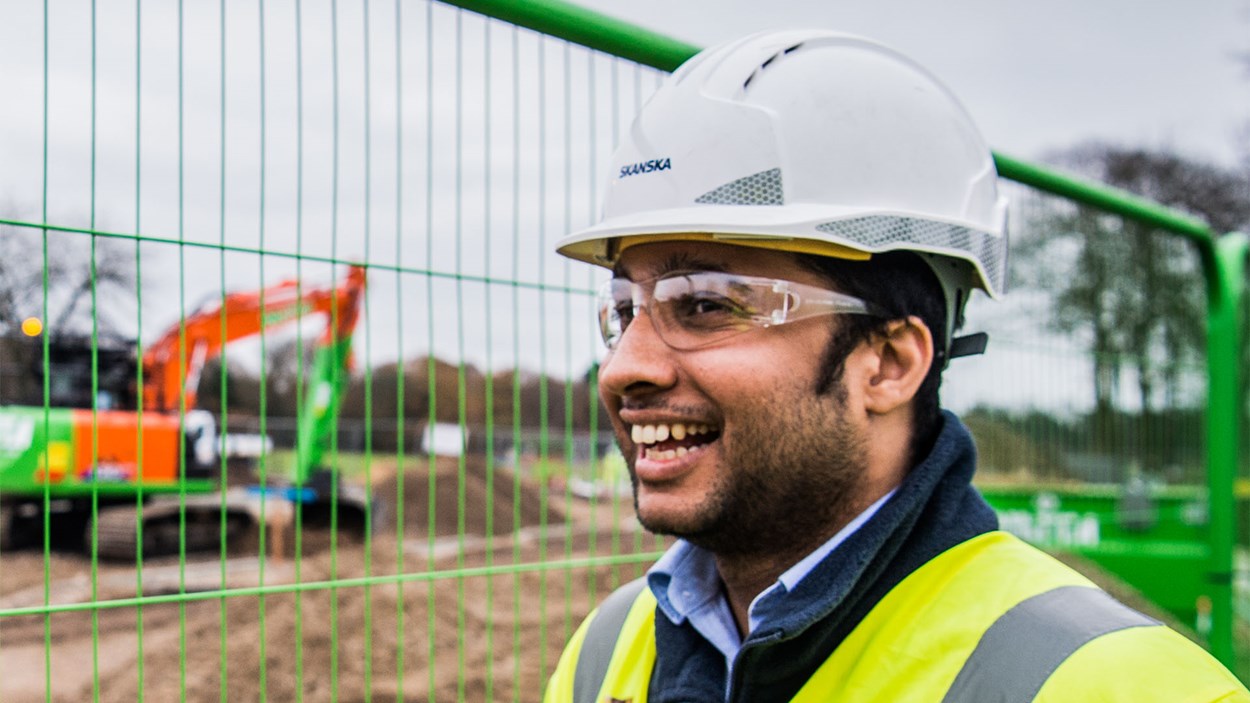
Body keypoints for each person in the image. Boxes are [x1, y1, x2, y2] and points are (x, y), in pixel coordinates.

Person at [543, 29, 1249, 703]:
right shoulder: (604, 653)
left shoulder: (1124, 686)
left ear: (886, 362)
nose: (622, 368)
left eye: (702, 304)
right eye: (625, 309)